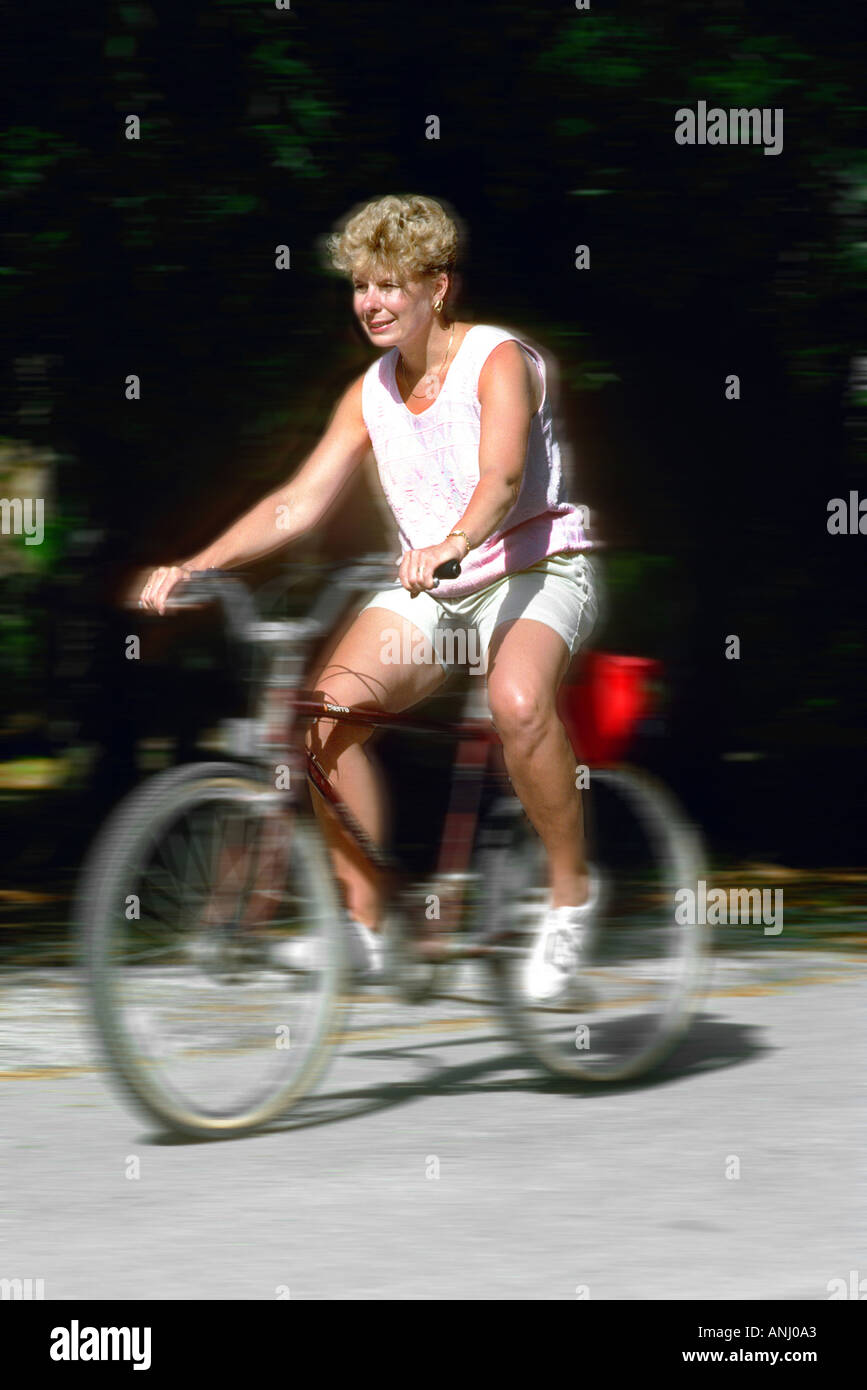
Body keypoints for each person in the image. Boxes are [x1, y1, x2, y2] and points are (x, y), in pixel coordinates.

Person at [138, 193, 599, 1001]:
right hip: (435, 586)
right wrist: (197, 564)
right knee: (320, 721)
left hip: (533, 566)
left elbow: (502, 477)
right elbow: (296, 502)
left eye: (390, 285)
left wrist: (453, 544)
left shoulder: (499, 361)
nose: (370, 304)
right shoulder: (370, 392)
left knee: (518, 702)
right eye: (359, 286)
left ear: (437, 288)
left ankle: (569, 900)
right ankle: (366, 930)